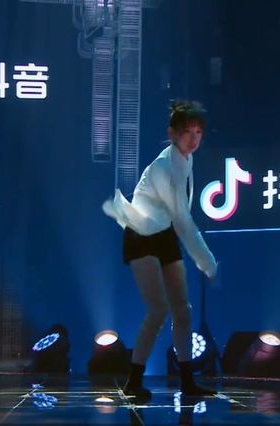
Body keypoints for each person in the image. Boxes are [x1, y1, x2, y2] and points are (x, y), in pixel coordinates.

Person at [102, 99, 218, 399]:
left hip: (164, 235)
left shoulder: (185, 160)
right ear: (172, 133)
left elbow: (179, 220)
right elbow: (183, 220)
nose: (193, 138)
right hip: (142, 236)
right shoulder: (163, 167)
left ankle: (187, 381)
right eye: (187, 131)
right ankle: (133, 381)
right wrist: (207, 262)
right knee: (158, 310)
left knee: (183, 310)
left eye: (198, 132)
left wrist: (205, 261)